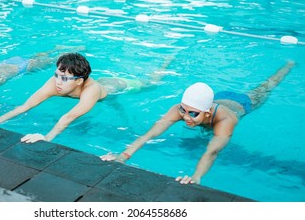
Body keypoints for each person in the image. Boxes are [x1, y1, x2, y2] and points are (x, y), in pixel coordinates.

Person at [100, 61, 295, 185]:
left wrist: (196, 176)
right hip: (215, 99)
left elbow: (212, 151)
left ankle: (287, 66)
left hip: (240, 104)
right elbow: (150, 134)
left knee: (265, 87)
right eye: (183, 110)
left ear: (207, 112)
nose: (185, 116)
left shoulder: (226, 121)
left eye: (192, 114)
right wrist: (123, 155)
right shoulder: (185, 109)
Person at [0, 52, 174, 143]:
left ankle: (166, 61)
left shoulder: (91, 91)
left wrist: (46, 137)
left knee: (151, 84)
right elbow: (25, 106)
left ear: (79, 81)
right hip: (100, 85)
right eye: (57, 75)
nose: (58, 82)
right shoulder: (55, 82)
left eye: (65, 78)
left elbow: (68, 117)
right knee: (117, 107)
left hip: (115, 87)